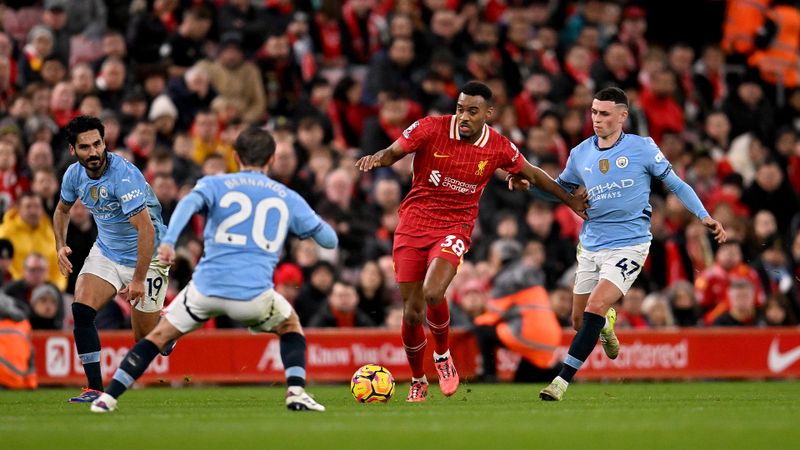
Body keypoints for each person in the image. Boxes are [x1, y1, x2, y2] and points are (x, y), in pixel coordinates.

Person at [356, 80, 588, 402]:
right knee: (411, 312)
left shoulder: (498, 146)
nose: (464, 116)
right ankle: (418, 379)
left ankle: (442, 357)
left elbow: (533, 174)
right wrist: (377, 159)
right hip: (413, 224)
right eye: (460, 109)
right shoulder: (430, 127)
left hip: (455, 227)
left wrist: (569, 199)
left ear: (488, 113)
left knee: (433, 291)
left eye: (472, 111)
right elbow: (393, 152)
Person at [90, 126, 338, 413]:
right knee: (290, 325)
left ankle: (107, 399)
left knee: (157, 337)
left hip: (205, 289)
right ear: (271, 160)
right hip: (253, 296)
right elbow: (329, 241)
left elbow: (187, 204)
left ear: (235, 157)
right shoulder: (286, 196)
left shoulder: (215, 184)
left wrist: (169, 241)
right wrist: (309, 222)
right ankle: (295, 392)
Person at [509, 87, 726, 401]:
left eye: (605, 113)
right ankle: (606, 326)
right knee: (579, 320)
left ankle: (560, 381)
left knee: (596, 305)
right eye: (594, 112)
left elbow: (676, 183)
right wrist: (529, 186)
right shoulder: (580, 153)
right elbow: (559, 192)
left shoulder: (643, 148)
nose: (597, 119)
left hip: (630, 244)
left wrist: (703, 215)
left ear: (623, 116)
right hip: (591, 244)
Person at [53, 116, 171, 404]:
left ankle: (168, 328)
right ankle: (94, 387)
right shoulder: (73, 175)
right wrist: (59, 246)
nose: (93, 152)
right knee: (81, 310)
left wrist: (139, 279)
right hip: (106, 251)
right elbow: (62, 211)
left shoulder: (123, 176)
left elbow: (146, 229)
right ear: (73, 150)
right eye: (85, 147)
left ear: (105, 143)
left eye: (97, 144)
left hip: (149, 255)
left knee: (145, 339)